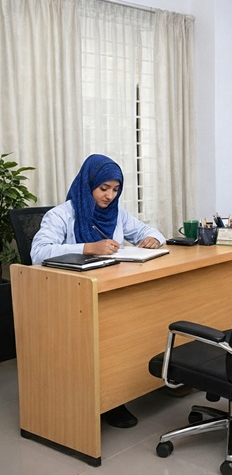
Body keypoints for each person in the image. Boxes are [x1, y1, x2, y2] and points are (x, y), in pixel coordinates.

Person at [31, 153, 166, 428]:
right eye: (103, 188)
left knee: (142, 320)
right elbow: (38, 252)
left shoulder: (117, 213)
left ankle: (123, 390)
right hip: (70, 295)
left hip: (110, 287)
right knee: (114, 329)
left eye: (115, 190)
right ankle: (108, 400)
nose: (109, 196)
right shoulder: (61, 215)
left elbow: (148, 231)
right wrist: (87, 247)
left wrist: (153, 238)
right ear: (88, 184)